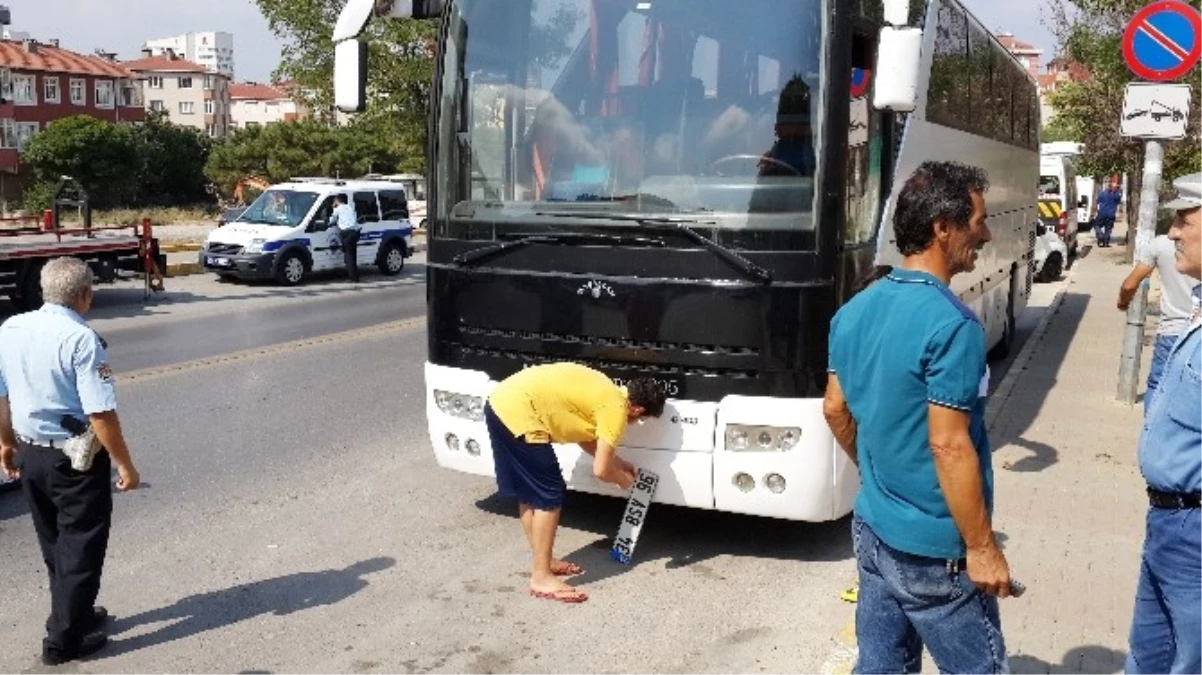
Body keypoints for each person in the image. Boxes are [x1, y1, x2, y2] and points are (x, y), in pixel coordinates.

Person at [823, 161, 1011, 672]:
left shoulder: (854, 310)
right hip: (935, 549)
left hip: (873, 529)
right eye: (978, 221)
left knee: (881, 665)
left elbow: (835, 408)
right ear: (942, 228)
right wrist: (982, 547)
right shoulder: (953, 326)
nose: (986, 233)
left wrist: (874, 469)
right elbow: (949, 445)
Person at [0, 257, 141, 666]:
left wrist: (6, 445)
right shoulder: (82, 339)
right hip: (72, 462)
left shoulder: (10, 328)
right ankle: (62, 643)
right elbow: (100, 414)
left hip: (31, 454)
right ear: (84, 294)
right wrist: (125, 466)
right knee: (81, 548)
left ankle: (75, 613)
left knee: (56, 545)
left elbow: (2, 396)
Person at [484, 362, 666, 603]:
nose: (638, 423)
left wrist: (619, 463)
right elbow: (601, 471)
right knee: (550, 493)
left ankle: (544, 562)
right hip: (521, 414)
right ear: (638, 409)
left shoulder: (607, 390)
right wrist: (623, 481)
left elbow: (585, 437)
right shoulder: (615, 410)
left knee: (529, 493)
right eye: (643, 419)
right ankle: (541, 577)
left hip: (501, 403)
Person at [1125, 172, 1202, 674]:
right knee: (1149, 656)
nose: (1172, 232)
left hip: (1194, 531)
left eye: (1184, 219)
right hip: (1169, 525)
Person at [1117, 233, 1201, 412]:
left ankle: (1153, 432)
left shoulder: (1161, 245)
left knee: (1158, 385)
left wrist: (1123, 302)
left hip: (1172, 331)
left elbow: (1130, 285)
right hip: (1198, 331)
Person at [331, 194, 360, 282]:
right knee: (353, 255)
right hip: (355, 232)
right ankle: (355, 276)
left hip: (347, 233)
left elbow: (331, 220)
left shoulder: (338, 209)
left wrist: (333, 209)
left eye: (334, 201)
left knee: (348, 257)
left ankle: (353, 278)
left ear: (337, 201)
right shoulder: (349, 207)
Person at [1094, 176, 1123, 248]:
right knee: (1108, 228)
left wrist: (1095, 211)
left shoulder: (1102, 193)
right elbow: (1119, 202)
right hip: (1111, 214)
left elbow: (1097, 201)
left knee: (1096, 225)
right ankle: (1106, 243)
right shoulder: (1116, 195)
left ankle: (1100, 235)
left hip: (1102, 213)